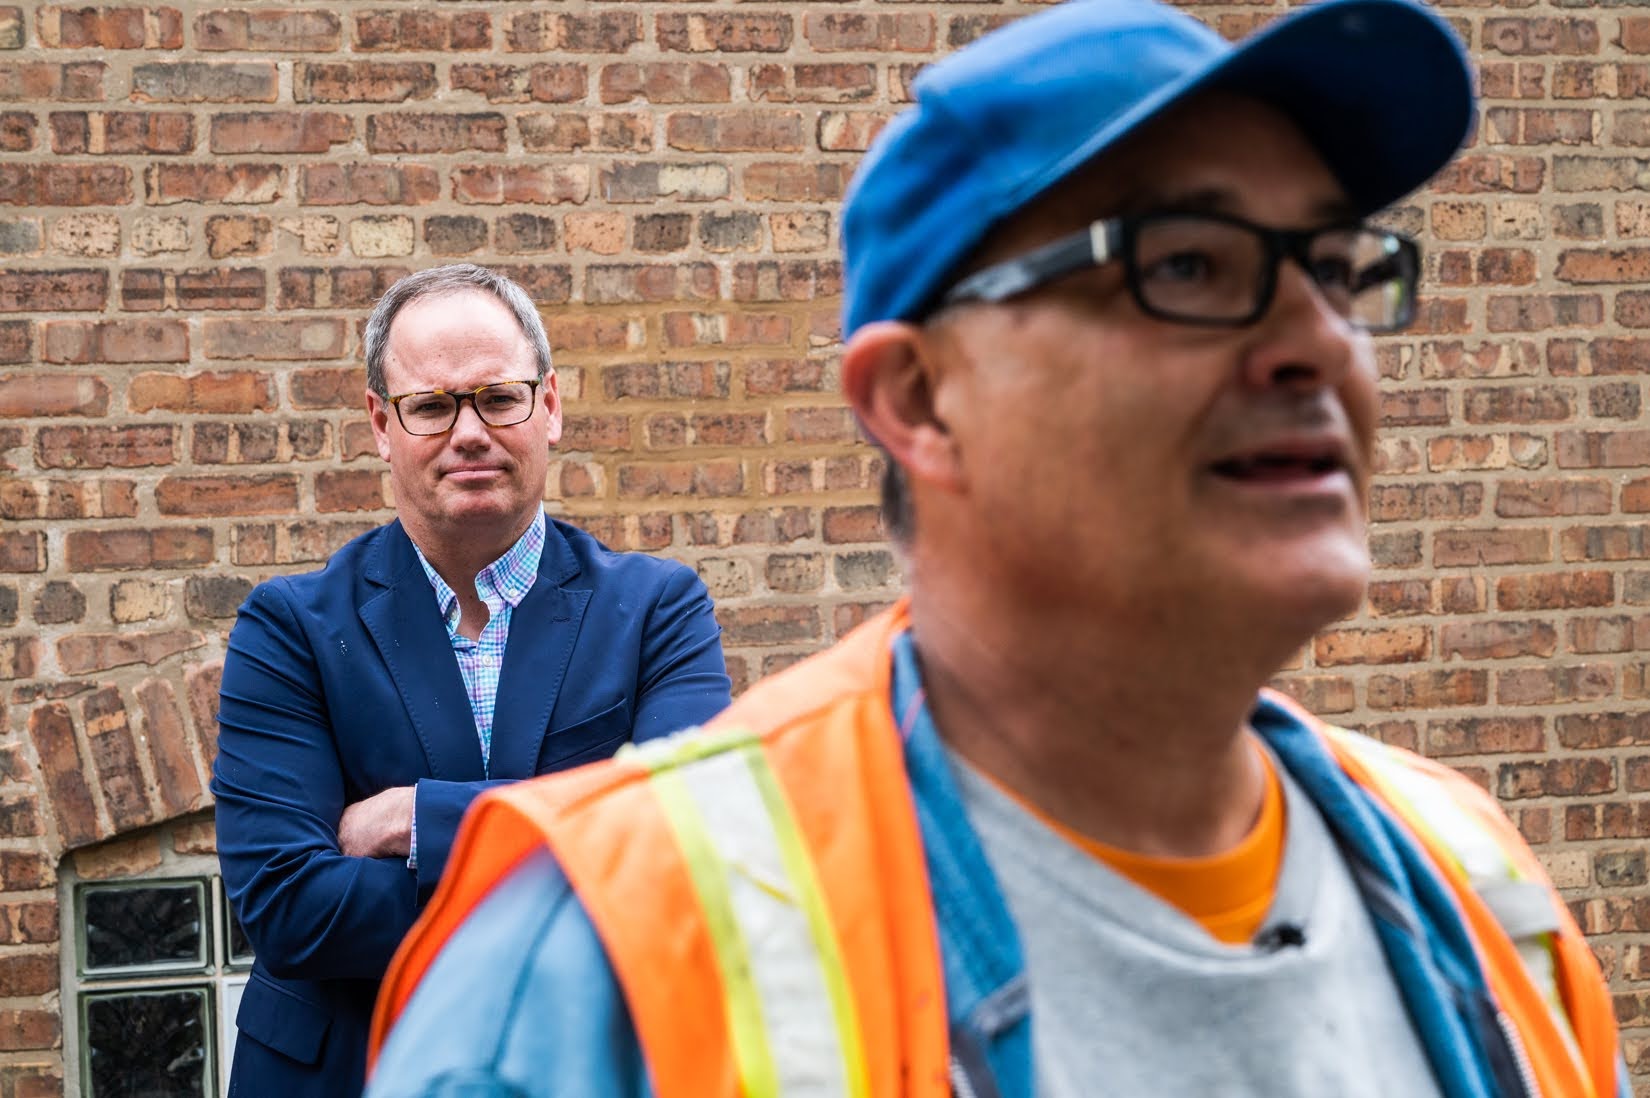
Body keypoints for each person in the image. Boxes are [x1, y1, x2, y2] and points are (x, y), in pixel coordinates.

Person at [366, 4, 1628, 1097]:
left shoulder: (1479, 891)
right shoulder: (608, 962)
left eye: (1337, 265)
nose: (1317, 343)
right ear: (918, 400)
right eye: (1187, 263)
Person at [211, 263, 732, 1097]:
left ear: (549, 406)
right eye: (432, 406)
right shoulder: (291, 629)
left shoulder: (656, 611)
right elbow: (287, 908)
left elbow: (689, 857)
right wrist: (579, 851)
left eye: (498, 397)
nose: (470, 432)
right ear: (383, 423)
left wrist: (423, 819)